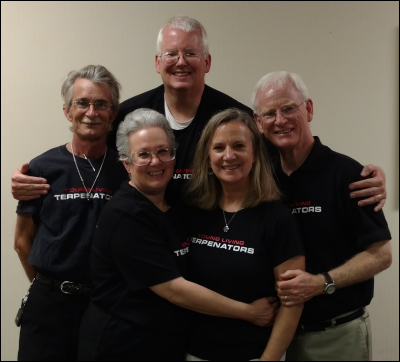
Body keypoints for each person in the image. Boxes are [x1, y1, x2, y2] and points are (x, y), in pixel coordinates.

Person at [11, 15, 387, 208]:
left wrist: (353, 176)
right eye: (172, 54)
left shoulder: (236, 117)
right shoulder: (128, 115)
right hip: (147, 245)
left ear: (206, 61)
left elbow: (286, 154)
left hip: (214, 250)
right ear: (157, 62)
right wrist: (38, 176)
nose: (181, 61)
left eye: (191, 53)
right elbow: (87, 146)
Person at [77, 108, 275, 361]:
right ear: (126, 163)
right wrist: (248, 312)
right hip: (121, 344)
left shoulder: (176, 204)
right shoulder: (125, 215)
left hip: (164, 343)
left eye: (163, 151)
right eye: (143, 155)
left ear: (174, 156)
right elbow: (174, 289)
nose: (156, 161)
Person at [251, 71, 392, 361]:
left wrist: (320, 283)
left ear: (309, 109)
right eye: (269, 113)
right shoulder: (260, 177)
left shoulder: (348, 175)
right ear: (258, 122)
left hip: (334, 336)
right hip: (273, 335)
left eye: (289, 108)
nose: (280, 120)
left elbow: (381, 254)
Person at [14, 65, 128, 360]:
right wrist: (50, 288)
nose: (91, 112)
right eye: (82, 103)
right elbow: (22, 241)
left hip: (105, 306)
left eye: (101, 104)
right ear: (68, 111)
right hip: (48, 307)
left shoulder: (126, 171)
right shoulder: (40, 168)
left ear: (113, 113)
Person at [184, 108, 305, 361]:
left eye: (239, 146)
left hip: (254, 354)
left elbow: (292, 303)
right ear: (207, 156)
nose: (229, 156)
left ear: (255, 154)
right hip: (194, 353)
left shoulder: (277, 219)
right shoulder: (192, 211)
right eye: (218, 148)